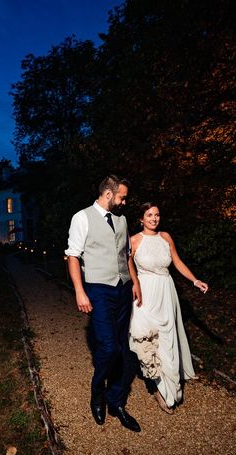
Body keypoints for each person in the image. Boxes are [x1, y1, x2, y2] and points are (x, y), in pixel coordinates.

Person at [65, 175, 143, 432]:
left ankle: (116, 400)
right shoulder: (82, 217)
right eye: (122, 197)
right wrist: (79, 291)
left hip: (123, 290)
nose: (124, 202)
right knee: (108, 347)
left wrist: (135, 283)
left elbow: (126, 256)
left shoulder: (122, 220)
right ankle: (97, 393)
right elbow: (73, 256)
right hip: (98, 289)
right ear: (108, 195)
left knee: (123, 349)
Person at [128, 202, 208, 414]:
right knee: (147, 339)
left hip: (166, 291)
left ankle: (170, 386)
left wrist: (195, 280)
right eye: (149, 215)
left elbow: (177, 262)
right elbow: (127, 264)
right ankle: (158, 386)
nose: (154, 218)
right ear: (141, 219)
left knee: (167, 339)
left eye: (157, 214)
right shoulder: (134, 240)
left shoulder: (166, 237)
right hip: (144, 293)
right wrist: (135, 284)